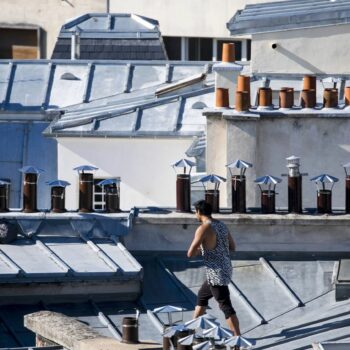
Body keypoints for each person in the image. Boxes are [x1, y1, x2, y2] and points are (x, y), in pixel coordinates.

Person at [187, 200, 241, 336]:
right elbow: (232, 247)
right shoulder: (221, 225)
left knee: (226, 306)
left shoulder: (203, 228)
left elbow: (190, 253)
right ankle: (191, 331)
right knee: (202, 296)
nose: (195, 214)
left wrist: (201, 249)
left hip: (216, 273)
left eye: (195, 212)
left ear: (199, 212)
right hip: (225, 268)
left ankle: (237, 340)